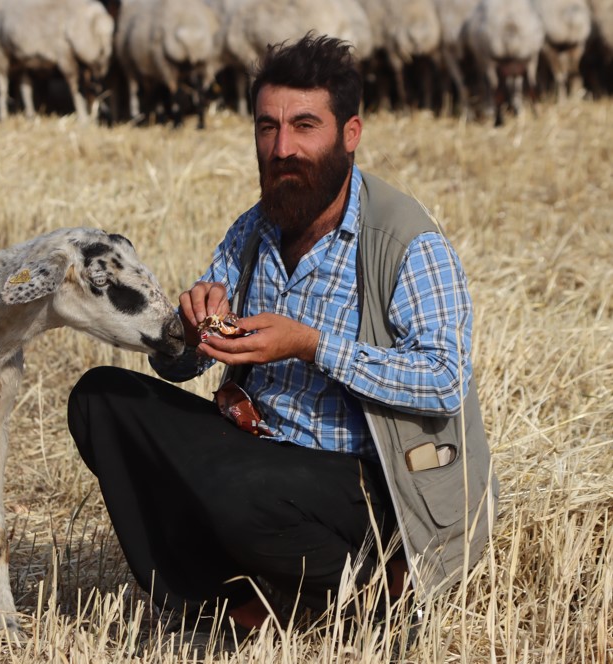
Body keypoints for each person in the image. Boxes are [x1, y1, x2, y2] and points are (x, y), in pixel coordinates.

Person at [67, 33, 497, 636]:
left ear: (350, 133)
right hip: (257, 448)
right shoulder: (255, 227)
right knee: (101, 401)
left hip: (363, 480)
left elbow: (444, 381)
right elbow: (185, 366)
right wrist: (189, 332)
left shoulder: (405, 241)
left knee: (234, 490)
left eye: (304, 126)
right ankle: (229, 600)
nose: (283, 148)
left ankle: (367, 595)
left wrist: (313, 346)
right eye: (267, 127)